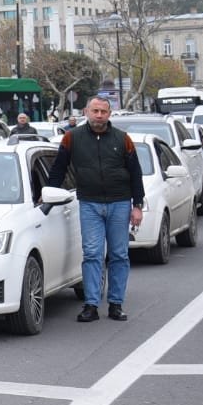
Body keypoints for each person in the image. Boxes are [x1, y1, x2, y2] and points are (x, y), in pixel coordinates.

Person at [46, 96, 143, 323]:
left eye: (103, 111)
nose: (99, 115)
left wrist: (137, 206)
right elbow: (58, 170)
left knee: (119, 255)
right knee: (92, 254)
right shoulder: (72, 138)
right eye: (95, 111)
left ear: (109, 114)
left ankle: (116, 304)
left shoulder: (123, 139)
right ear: (86, 112)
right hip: (89, 203)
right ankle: (91, 304)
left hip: (120, 203)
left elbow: (136, 174)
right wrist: (47, 194)